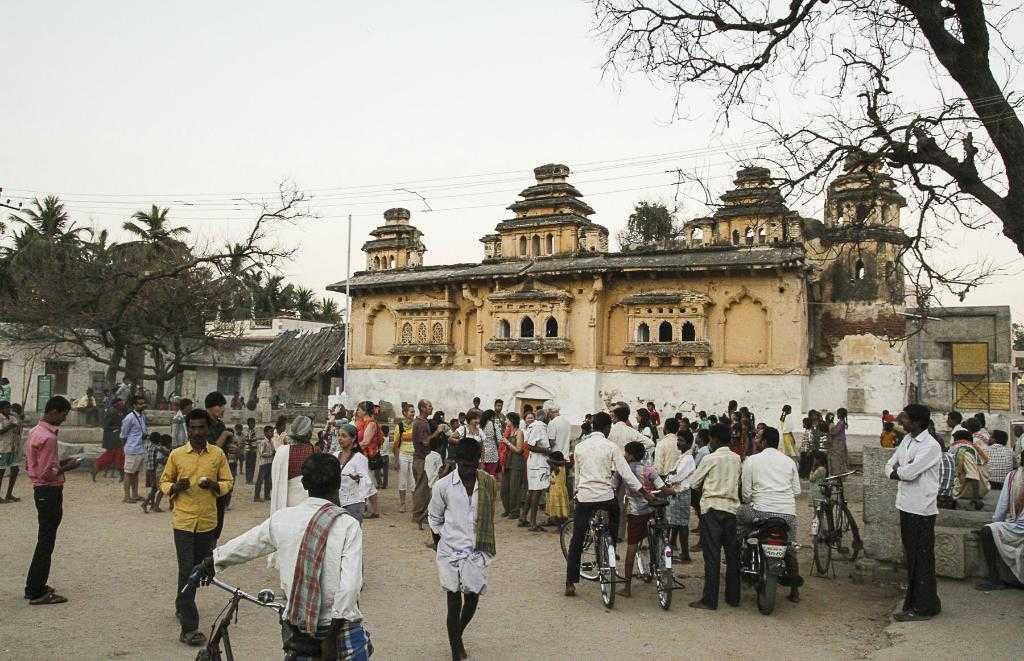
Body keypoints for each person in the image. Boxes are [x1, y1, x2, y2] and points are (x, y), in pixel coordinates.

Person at [205, 452, 371, 659]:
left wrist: (211, 561)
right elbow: (349, 588)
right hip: (340, 631)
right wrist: (329, 640)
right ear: (339, 483)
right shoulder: (347, 525)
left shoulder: (283, 519)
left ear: (303, 483)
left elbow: (247, 544)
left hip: (300, 631)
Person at [160, 408, 233, 646]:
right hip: (182, 522)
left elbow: (228, 482)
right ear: (187, 429)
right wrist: (174, 488)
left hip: (207, 524)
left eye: (202, 427)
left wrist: (214, 485)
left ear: (208, 429)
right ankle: (189, 628)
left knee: (200, 570)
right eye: (193, 428)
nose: (197, 432)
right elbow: (164, 481)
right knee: (186, 571)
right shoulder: (177, 455)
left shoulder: (218, 455)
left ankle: (181, 604)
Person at [427, 437, 497, 661]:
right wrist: (442, 549)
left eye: (473, 465)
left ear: (479, 462)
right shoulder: (443, 486)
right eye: (464, 465)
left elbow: (488, 517)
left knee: (473, 597)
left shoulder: (487, 483)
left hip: (476, 551)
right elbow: (434, 520)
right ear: (457, 462)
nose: (468, 470)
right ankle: (456, 649)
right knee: (453, 600)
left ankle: (456, 634)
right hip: (449, 551)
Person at [564, 411, 644, 597]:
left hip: (585, 496)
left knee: (577, 537)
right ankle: (610, 549)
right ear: (607, 428)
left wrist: (577, 491)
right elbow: (626, 474)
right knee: (615, 518)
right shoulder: (611, 447)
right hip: (605, 497)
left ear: (593, 426)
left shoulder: (580, 447)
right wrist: (644, 492)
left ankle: (570, 582)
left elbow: (578, 474)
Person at [884, 403, 942, 621]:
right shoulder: (907, 440)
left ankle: (924, 607)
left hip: (921, 509)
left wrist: (897, 471)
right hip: (905, 505)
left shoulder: (930, 445)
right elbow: (890, 464)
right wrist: (897, 471)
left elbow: (909, 473)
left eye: (906, 418)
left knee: (922, 558)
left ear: (917, 422)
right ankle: (917, 602)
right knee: (912, 557)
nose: (901, 422)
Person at [738, 426, 803, 603]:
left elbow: (746, 494)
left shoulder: (752, 460)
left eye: (758, 438)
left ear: (765, 442)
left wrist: (753, 500)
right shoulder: (789, 462)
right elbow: (797, 491)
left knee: (739, 518)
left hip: (760, 512)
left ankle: (739, 558)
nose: (756, 441)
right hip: (787, 515)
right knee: (790, 548)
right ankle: (795, 591)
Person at [24, 396, 78, 605]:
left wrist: (59, 463)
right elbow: (48, 472)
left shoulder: (35, 432)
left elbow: (37, 465)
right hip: (49, 490)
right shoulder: (49, 438)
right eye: (63, 414)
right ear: (54, 412)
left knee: (44, 540)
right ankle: (36, 590)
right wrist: (67, 467)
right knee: (46, 541)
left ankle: (35, 585)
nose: (64, 419)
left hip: (40, 490)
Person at [689, 423, 742, 611]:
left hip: (712, 509)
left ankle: (710, 599)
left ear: (716, 439)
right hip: (731, 509)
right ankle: (733, 597)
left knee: (712, 556)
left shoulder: (710, 458)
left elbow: (694, 483)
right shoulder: (737, 459)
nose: (709, 442)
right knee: (732, 555)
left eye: (710, 438)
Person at [619, 441, 668, 598]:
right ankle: (654, 568)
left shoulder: (624, 470)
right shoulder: (648, 469)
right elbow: (662, 487)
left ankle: (627, 587)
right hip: (651, 510)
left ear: (631, 455)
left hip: (635, 513)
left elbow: (614, 485)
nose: (624, 456)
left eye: (626, 453)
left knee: (632, 546)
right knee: (654, 540)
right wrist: (672, 491)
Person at [975, 447, 1024, 591]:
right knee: (989, 530)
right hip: (1016, 527)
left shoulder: (1013, 476)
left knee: (988, 530)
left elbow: (1001, 508)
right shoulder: (1012, 477)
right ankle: (995, 579)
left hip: (1016, 527)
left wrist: (996, 522)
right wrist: (997, 522)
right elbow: (1002, 507)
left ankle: (995, 578)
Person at [271, 416, 318, 516]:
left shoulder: (282, 451)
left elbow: (275, 477)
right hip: (308, 501)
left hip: (286, 499)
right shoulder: (315, 451)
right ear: (308, 433)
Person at [204, 391, 235, 541]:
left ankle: (212, 546)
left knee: (219, 514)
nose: (223, 409)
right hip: (207, 473)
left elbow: (224, 448)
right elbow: (211, 449)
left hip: (221, 474)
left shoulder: (220, 425)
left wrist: (233, 447)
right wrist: (224, 436)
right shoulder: (202, 425)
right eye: (221, 406)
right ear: (211, 407)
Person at [663, 429, 695, 561]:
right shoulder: (683, 456)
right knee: (676, 523)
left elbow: (677, 475)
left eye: (681, 441)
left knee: (681, 524)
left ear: (688, 443)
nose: (678, 443)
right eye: (678, 440)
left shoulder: (687, 458)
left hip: (681, 493)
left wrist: (667, 481)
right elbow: (673, 472)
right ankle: (674, 549)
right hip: (678, 492)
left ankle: (685, 554)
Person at [412, 400, 445, 526]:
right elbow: (425, 442)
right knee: (422, 488)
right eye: (429, 406)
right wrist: (438, 431)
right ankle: (418, 515)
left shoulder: (423, 422)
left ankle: (420, 514)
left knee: (423, 487)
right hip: (422, 459)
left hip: (421, 458)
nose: (431, 408)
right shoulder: (421, 423)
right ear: (422, 408)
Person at [336, 422, 373, 523]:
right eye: (338, 435)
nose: (340, 438)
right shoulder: (334, 456)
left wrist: (358, 479)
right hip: (336, 501)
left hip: (354, 502)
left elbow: (367, 482)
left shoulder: (360, 459)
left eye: (344, 436)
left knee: (353, 533)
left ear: (353, 439)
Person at [521, 409, 551, 532]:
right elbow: (530, 446)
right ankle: (533, 523)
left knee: (532, 491)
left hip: (535, 462)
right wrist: (547, 451)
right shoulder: (539, 426)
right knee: (536, 492)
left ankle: (523, 518)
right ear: (546, 416)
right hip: (538, 462)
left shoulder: (534, 426)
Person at [354, 401, 383, 519]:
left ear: (365, 411)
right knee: (366, 482)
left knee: (368, 483)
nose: (357, 411)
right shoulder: (363, 422)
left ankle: (373, 510)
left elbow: (366, 442)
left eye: (359, 409)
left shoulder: (370, 424)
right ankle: (370, 509)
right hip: (362, 455)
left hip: (365, 456)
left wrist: (352, 448)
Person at [120, 394, 148, 504]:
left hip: (140, 448)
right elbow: (123, 435)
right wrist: (125, 448)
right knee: (128, 473)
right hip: (132, 449)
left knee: (135, 473)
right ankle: (126, 497)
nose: (142, 405)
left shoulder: (142, 416)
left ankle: (135, 495)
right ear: (134, 405)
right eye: (140, 404)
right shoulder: (129, 418)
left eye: (143, 403)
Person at [499, 412, 526, 520]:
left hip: (516, 462)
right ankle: (507, 509)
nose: (506, 421)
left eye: (507, 419)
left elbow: (519, 450)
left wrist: (507, 443)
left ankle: (514, 512)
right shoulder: (508, 432)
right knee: (504, 489)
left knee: (514, 488)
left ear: (512, 421)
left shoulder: (519, 432)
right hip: (507, 462)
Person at [392, 402, 417, 512]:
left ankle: (415, 504)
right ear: (405, 413)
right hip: (403, 455)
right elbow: (396, 445)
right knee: (402, 481)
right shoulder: (400, 426)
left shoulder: (416, 425)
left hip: (414, 456)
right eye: (411, 412)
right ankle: (402, 504)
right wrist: (396, 460)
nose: (413, 413)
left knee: (414, 481)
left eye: (414, 411)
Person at [141, 433, 171, 513]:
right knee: (158, 488)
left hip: (149, 469)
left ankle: (151, 504)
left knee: (154, 488)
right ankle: (149, 504)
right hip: (155, 470)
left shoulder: (149, 446)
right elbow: (163, 454)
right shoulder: (157, 448)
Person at [0, 400, 22, 503]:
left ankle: (9, 494)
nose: (9, 410)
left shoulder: (13, 418)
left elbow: (17, 432)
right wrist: (10, 426)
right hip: (2, 448)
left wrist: (19, 422)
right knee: (1, 472)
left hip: (13, 448)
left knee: (15, 470)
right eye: (6, 408)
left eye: (9, 407)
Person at [545, 451, 570, 526]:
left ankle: (560, 526)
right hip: (559, 490)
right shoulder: (563, 467)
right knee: (560, 509)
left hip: (557, 491)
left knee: (558, 509)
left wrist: (559, 462)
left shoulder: (557, 468)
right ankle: (556, 522)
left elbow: (548, 461)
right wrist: (562, 462)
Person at [254, 425, 274, 502]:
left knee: (268, 480)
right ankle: (256, 496)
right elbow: (262, 453)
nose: (272, 433)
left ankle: (267, 495)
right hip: (264, 463)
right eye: (270, 432)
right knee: (260, 480)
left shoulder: (271, 441)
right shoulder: (263, 442)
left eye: (272, 431)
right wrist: (271, 454)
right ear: (265, 433)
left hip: (269, 462)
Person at [479, 409, 501, 477]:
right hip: (492, 454)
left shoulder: (480, 426)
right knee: (491, 476)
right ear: (491, 417)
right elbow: (500, 439)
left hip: (481, 454)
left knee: (482, 477)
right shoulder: (494, 425)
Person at [243, 417, 258, 485]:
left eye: (254, 423)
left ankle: (249, 480)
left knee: (250, 466)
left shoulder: (252, 430)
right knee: (250, 466)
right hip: (250, 450)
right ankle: (249, 480)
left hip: (251, 450)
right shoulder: (250, 431)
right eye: (252, 423)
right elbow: (248, 439)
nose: (253, 424)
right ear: (248, 424)